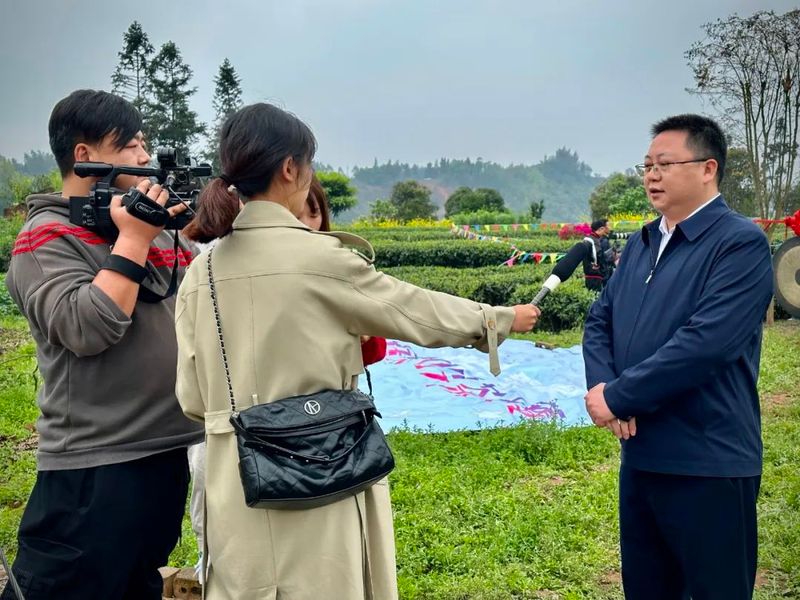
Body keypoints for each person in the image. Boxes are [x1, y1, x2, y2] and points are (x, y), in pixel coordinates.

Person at [174, 102, 540, 600]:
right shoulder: (322, 259)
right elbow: (414, 309)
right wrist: (495, 320)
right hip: (319, 469)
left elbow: (192, 397)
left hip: (235, 484)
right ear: (289, 168)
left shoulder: (203, 270)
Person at [1, 90, 203, 600]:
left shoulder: (151, 228)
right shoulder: (46, 235)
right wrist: (132, 239)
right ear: (85, 157)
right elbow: (87, 329)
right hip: (94, 466)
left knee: (136, 585)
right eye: (130, 144)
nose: (144, 157)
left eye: (145, 143)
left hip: (163, 451)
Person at [582, 114, 774, 600]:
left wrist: (622, 395)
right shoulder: (644, 242)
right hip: (643, 455)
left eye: (665, 164)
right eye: (647, 165)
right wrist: (605, 391)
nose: (651, 175)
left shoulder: (739, 244)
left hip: (707, 460)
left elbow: (705, 344)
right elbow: (600, 319)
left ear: (708, 168)